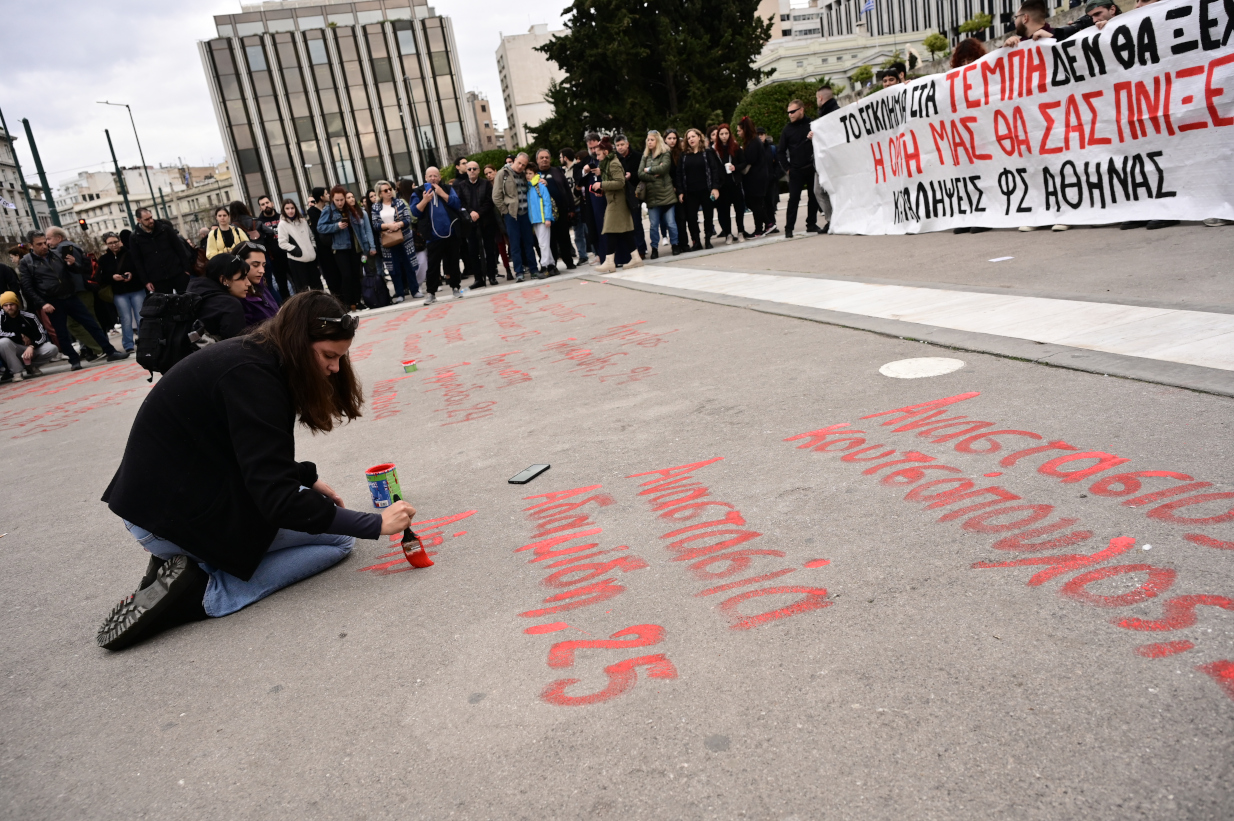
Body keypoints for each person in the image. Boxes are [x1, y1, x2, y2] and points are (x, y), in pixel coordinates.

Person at [95, 291, 417, 650]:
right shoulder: (256, 379)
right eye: (329, 356)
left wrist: (304, 477)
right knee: (340, 539)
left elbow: (237, 449)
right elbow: (277, 501)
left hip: (158, 506)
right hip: (170, 519)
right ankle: (204, 590)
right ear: (299, 343)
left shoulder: (253, 355)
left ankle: (180, 564)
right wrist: (375, 524)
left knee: (315, 512)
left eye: (341, 357)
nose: (335, 369)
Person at [19, 232, 128, 370]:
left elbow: (80, 270)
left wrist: (72, 264)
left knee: (91, 324)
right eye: (39, 244)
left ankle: (110, 351)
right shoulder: (27, 262)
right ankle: (74, 360)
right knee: (62, 332)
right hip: (52, 301)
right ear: (31, 245)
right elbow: (27, 287)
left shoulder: (57, 254)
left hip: (70, 295)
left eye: (44, 242)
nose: (44, 246)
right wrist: (43, 303)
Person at [45, 227, 104, 360]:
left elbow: (69, 270)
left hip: (78, 291)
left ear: (58, 238)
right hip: (82, 289)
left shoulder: (63, 248)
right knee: (89, 320)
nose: (47, 243)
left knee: (75, 324)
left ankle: (98, 347)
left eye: (49, 238)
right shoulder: (71, 246)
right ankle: (97, 347)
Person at [317, 186, 376, 311]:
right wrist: (336, 226)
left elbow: (360, 229)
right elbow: (320, 227)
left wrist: (365, 247)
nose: (340, 202)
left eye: (342, 200)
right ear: (332, 199)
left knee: (356, 275)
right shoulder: (328, 210)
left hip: (355, 247)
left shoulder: (350, 209)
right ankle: (347, 303)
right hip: (339, 248)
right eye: (337, 200)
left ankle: (357, 301)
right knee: (346, 276)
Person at [413, 167, 464, 303]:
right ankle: (431, 293)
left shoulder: (446, 188)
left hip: (451, 232)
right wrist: (424, 200)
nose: (433, 178)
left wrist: (442, 194)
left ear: (440, 178)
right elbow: (415, 212)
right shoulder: (418, 192)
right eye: (430, 176)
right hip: (433, 235)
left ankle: (455, 287)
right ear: (425, 178)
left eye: (435, 176)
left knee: (453, 262)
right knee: (433, 265)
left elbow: (457, 203)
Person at [592, 136, 643, 274]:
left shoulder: (613, 163)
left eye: (598, 154)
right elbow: (614, 183)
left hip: (617, 202)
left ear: (605, 152)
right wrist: (602, 190)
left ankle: (609, 262)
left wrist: (601, 184)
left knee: (610, 230)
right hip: (614, 200)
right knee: (624, 231)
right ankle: (635, 257)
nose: (597, 157)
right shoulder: (608, 163)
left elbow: (620, 183)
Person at [778, 99, 821, 239]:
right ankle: (789, 228)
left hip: (811, 167)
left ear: (801, 110)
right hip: (795, 170)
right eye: (788, 112)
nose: (790, 115)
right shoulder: (787, 129)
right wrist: (787, 168)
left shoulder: (813, 124)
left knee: (813, 196)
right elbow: (780, 151)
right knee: (793, 199)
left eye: (792, 111)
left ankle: (811, 224)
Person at [492, 152, 537, 282]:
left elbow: (533, 182)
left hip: (525, 214)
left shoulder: (524, 174)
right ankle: (519, 272)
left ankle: (533, 270)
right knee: (514, 244)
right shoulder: (503, 173)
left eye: (523, 165)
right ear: (515, 160)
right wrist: (505, 211)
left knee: (529, 243)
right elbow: (496, 196)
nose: (520, 166)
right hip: (512, 215)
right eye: (519, 163)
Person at [370, 180, 417, 302]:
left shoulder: (399, 203)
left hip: (404, 238)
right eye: (385, 190)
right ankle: (400, 293)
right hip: (388, 241)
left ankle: (415, 290)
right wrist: (388, 226)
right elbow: (375, 225)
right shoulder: (376, 207)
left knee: (409, 265)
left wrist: (398, 225)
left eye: (390, 189)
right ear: (380, 193)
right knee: (393, 268)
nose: (389, 192)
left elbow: (408, 219)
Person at [128, 207, 193, 295]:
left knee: (187, 301)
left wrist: (186, 269)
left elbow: (179, 249)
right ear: (139, 220)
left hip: (178, 273)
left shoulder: (165, 229)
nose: (151, 220)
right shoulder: (135, 237)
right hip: (157, 279)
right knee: (167, 306)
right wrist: (146, 281)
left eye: (151, 217)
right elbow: (138, 261)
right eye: (147, 219)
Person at [187, 253, 250, 341]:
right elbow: (238, 347)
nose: (248, 283)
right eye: (242, 278)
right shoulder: (230, 306)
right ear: (224, 280)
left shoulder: (195, 292)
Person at [676, 128, 721, 252]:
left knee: (708, 215)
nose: (691, 139)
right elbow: (679, 174)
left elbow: (714, 170)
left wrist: (715, 188)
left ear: (699, 137)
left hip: (706, 190)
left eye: (693, 136)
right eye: (688, 137)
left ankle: (707, 239)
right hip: (690, 192)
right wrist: (680, 191)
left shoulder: (707, 152)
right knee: (691, 217)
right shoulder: (684, 155)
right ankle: (696, 241)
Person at [99, 232, 145, 353]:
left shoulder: (130, 253)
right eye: (110, 243)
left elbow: (140, 268)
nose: (114, 245)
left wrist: (132, 274)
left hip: (136, 288)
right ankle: (128, 344)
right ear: (106, 244)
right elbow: (100, 277)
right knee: (125, 318)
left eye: (115, 242)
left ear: (120, 241)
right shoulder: (104, 259)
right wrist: (112, 277)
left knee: (141, 316)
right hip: (119, 292)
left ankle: (144, 341)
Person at [455, 161, 498, 288]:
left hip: (486, 221)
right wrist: (471, 212)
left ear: (479, 170)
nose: (472, 171)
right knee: (473, 251)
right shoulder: (462, 185)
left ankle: (492, 276)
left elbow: (490, 201)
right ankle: (478, 279)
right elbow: (461, 202)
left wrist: (478, 213)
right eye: (469, 169)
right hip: (470, 223)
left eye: (474, 168)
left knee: (490, 250)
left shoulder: (486, 184)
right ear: (466, 171)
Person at [0, 290, 59, 381]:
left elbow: (41, 334)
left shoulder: (29, 316)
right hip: (14, 349)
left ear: (17, 304)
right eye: (5, 305)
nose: (9, 307)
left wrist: (32, 346)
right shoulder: (1, 317)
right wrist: (19, 336)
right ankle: (17, 372)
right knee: (3, 342)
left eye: (11, 304)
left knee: (52, 348)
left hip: (31, 348)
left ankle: (31, 366)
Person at [638, 130, 679, 259]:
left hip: (667, 195)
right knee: (653, 225)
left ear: (657, 141)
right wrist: (654, 176)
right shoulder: (645, 156)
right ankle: (654, 248)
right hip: (652, 196)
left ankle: (675, 244)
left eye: (652, 140)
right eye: (648, 140)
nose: (649, 142)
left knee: (671, 223)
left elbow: (664, 168)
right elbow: (640, 173)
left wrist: (649, 170)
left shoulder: (665, 153)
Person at [537, 148, 577, 271]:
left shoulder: (557, 171)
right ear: (537, 160)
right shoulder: (533, 174)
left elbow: (566, 190)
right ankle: (551, 264)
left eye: (546, 157)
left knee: (564, 237)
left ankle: (569, 262)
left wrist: (571, 208)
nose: (544, 160)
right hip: (544, 214)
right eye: (542, 158)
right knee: (550, 240)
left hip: (561, 211)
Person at [710, 123, 748, 242]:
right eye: (721, 134)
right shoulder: (714, 150)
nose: (724, 136)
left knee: (739, 209)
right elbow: (713, 167)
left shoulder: (735, 147)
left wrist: (735, 168)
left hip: (735, 183)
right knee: (724, 211)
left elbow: (744, 163)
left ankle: (741, 231)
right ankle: (728, 234)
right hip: (722, 185)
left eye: (726, 133)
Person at [277, 199, 323, 292]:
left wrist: (313, 248)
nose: (290, 211)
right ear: (283, 210)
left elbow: (311, 237)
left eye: (292, 208)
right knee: (303, 290)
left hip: (311, 259)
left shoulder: (303, 221)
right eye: (287, 208)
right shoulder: (282, 224)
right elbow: (282, 243)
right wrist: (297, 251)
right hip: (297, 261)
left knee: (318, 288)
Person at [613, 135, 648, 258]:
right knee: (626, 226)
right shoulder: (615, 159)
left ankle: (641, 249)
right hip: (621, 195)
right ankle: (631, 251)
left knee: (636, 223)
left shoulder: (638, 156)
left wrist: (631, 176)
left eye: (622, 144)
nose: (620, 147)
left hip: (635, 193)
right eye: (618, 145)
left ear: (627, 144)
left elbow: (643, 173)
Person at [737, 117, 770, 237]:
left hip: (756, 177)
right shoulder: (752, 141)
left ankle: (763, 226)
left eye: (739, 130)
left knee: (754, 203)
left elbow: (749, 160)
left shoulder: (753, 142)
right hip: (757, 176)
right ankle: (764, 225)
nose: (738, 133)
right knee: (754, 203)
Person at [255, 195, 291, 301]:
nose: (266, 205)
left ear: (272, 203)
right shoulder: (259, 223)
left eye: (267, 203)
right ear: (260, 208)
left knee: (297, 281)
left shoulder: (282, 217)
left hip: (289, 254)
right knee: (282, 285)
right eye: (263, 204)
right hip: (274, 258)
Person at [236, 241, 279, 328]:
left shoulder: (260, 282)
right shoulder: (238, 296)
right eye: (255, 265)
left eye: (263, 265)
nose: (262, 270)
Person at [396, 178, 428, 297]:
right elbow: (413, 216)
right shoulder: (403, 201)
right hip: (411, 235)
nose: (415, 187)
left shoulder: (414, 197)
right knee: (417, 261)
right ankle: (416, 285)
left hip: (418, 233)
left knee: (422, 260)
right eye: (413, 185)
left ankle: (418, 284)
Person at [306, 187, 340, 295]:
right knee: (329, 272)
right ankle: (336, 296)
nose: (328, 195)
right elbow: (319, 228)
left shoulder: (328, 208)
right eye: (326, 193)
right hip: (322, 246)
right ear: (321, 197)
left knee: (338, 270)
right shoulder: (312, 211)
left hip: (333, 243)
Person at [483, 166, 513, 280]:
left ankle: (520, 266)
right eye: (486, 174)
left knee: (512, 243)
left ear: (495, 171)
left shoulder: (502, 182)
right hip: (495, 220)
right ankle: (507, 269)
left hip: (506, 216)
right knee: (501, 247)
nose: (489, 175)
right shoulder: (486, 186)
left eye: (490, 172)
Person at [525, 165, 555, 277]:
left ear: (535, 174)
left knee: (543, 244)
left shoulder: (540, 185)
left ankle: (544, 266)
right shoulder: (528, 187)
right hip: (535, 220)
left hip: (542, 219)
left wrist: (548, 218)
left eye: (530, 173)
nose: (528, 176)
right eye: (526, 173)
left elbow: (547, 202)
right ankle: (551, 265)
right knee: (543, 243)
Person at [663, 129, 688, 253]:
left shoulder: (681, 153)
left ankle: (684, 243)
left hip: (680, 188)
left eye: (674, 138)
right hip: (667, 189)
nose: (672, 141)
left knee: (682, 217)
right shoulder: (662, 154)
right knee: (670, 220)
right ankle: (675, 244)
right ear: (664, 140)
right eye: (669, 138)